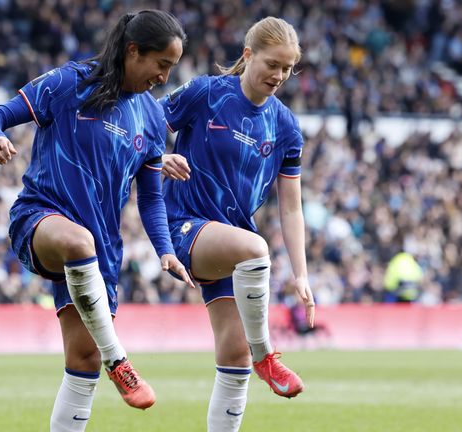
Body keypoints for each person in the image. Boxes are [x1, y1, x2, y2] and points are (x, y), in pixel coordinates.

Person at [0, 10, 193, 431]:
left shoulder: (150, 118)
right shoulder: (69, 82)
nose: (164, 77)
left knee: (83, 360)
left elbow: (150, 199)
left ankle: (104, 359)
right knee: (78, 243)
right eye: (161, 65)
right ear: (133, 51)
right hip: (41, 218)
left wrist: (166, 251)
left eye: (171, 68)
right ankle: (120, 359)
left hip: (102, 249)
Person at [158, 17, 315, 431]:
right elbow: (144, 127)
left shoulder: (286, 127)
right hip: (185, 225)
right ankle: (267, 355)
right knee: (254, 247)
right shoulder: (206, 93)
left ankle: (253, 358)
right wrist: (157, 158)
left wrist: (301, 274)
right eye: (272, 64)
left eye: (287, 68)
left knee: (233, 356)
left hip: (230, 250)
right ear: (248, 56)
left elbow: (292, 208)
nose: (279, 76)